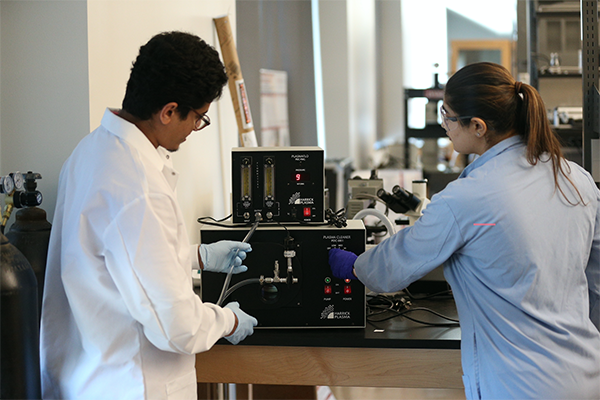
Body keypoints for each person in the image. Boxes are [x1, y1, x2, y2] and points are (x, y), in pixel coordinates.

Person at [330, 62, 600, 400]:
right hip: (587, 373)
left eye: (448, 116)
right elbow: (596, 279)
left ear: (477, 126)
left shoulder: (468, 196)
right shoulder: (577, 178)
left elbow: (393, 269)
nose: (444, 126)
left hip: (520, 385)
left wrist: (355, 266)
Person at [40, 31, 258, 400]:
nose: (195, 129)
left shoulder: (90, 151)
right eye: (199, 118)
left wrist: (197, 256)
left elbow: (111, 257)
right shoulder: (137, 185)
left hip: (87, 378)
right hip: (133, 384)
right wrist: (228, 320)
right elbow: (177, 328)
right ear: (169, 111)